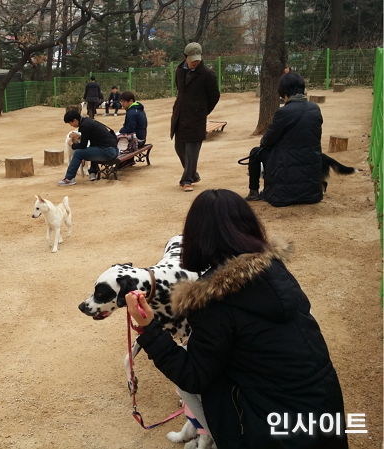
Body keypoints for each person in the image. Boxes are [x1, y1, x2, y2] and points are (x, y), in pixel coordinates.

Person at [126, 189, 347, 449]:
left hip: (271, 433)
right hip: (324, 417)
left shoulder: (213, 299)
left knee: (204, 382)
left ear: (196, 236)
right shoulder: (275, 270)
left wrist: (148, 329)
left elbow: (193, 376)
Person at [245, 72, 323, 206]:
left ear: (284, 93)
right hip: (312, 192)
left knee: (255, 152)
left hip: (282, 194)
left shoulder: (284, 112)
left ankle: (254, 193)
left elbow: (266, 142)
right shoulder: (315, 109)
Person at [170, 42, 220, 192]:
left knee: (192, 150)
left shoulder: (207, 74)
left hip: (196, 117)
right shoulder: (179, 70)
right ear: (185, 57)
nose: (195, 62)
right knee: (179, 147)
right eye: (192, 60)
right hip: (180, 114)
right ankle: (193, 174)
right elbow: (180, 90)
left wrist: (202, 111)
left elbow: (214, 96)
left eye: (197, 60)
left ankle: (187, 180)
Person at [59, 108, 118, 185]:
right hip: (113, 150)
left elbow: (83, 145)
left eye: (70, 123)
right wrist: (80, 137)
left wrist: (72, 145)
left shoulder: (84, 126)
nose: (71, 125)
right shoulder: (87, 121)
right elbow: (93, 140)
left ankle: (69, 179)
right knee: (92, 149)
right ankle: (92, 172)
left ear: (75, 120)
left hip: (108, 152)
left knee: (78, 153)